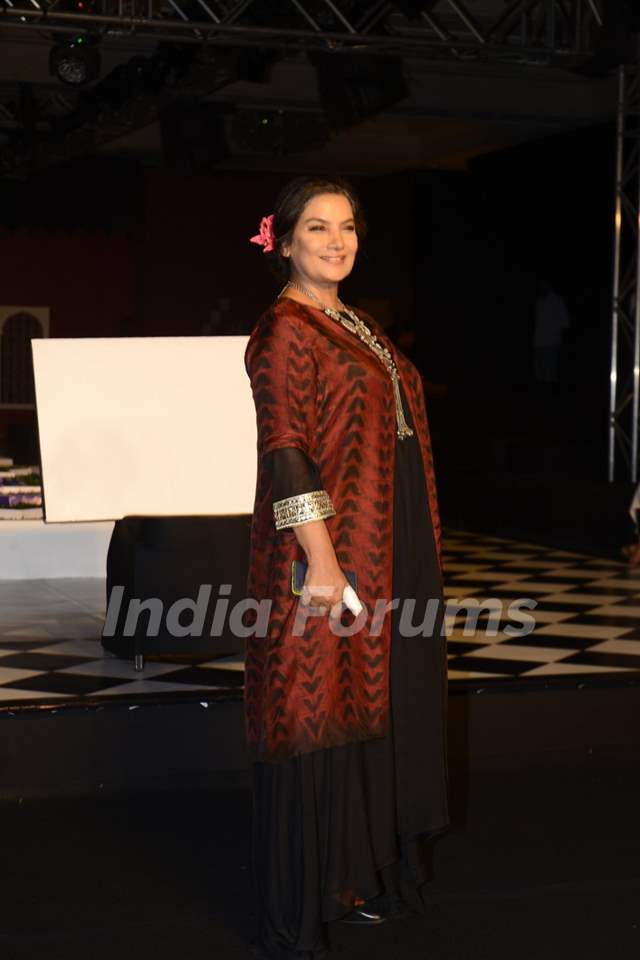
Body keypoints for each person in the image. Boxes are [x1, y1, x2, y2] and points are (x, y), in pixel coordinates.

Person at [243, 175, 449, 959]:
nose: (338, 241)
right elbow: (286, 450)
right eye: (318, 228)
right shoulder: (283, 330)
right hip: (331, 553)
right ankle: (307, 899)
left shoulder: (354, 323)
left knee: (375, 706)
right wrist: (322, 563)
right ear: (284, 241)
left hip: (389, 542)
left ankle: (354, 877)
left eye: (349, 227)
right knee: (317, 707)